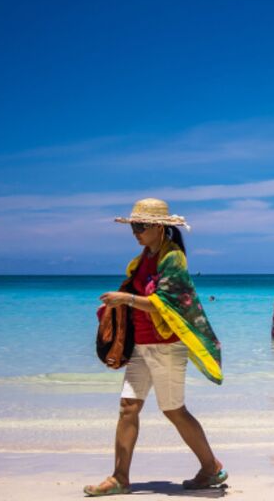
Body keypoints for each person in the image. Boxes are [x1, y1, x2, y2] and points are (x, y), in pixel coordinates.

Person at [84, 199, 226, 497]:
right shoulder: (143, 258)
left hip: (167, 347)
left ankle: (211, 467)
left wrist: (126, 301)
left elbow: (167, 303)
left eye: (141, 226)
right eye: (133, 226)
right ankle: (120, 478)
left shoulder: (173, 258)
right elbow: (137, 295)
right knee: (128, 407)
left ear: (159, 228)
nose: (136, 232)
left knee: (174, 410)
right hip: (141, 347)